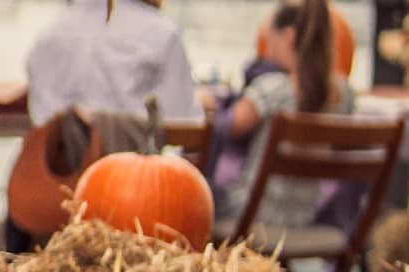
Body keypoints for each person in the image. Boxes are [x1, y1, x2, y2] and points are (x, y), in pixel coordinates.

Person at [217, 0, 357, 230]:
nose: (268, 49)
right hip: (306, 216)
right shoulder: (344, 94)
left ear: (289, 36)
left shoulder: (273, 90)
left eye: (271, 38)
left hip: (252, 215)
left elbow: (224, 128)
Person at [25, 0, 200, 126]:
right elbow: (183, 122)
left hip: (55, 171)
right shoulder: (163, 34)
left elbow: (41, 116)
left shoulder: (49, 36)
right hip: (128, 171)